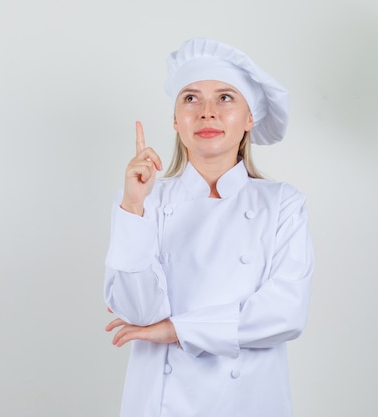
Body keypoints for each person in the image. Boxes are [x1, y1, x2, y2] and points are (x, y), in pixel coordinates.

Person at [103, 37, 314, 417]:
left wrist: (176, 330)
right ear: (175, 120)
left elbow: (284, 313)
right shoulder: (143, 199)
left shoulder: (281, 203)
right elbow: (137, 311)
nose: (207, 113)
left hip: (250, 400)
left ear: (250, 118)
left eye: (226, 98)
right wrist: (133, 206)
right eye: (191, 98)